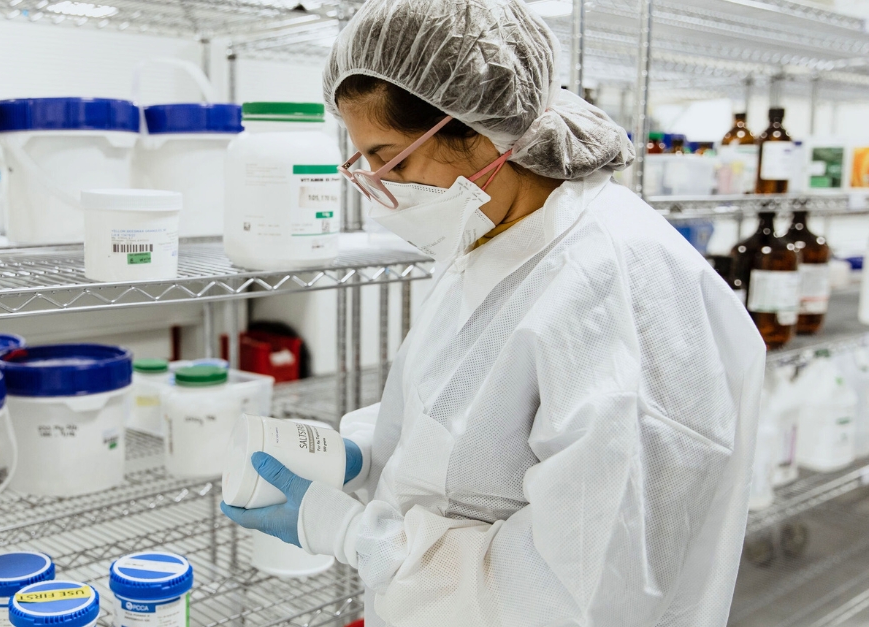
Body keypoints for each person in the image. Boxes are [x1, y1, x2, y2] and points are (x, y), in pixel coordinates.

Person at [221, 0, 767, 625]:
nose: (378, 185)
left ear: (478, 130)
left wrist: (356, 538)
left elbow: (583, 584)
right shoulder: (494, 231)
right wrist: (363, 452)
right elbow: (461, 410)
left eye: (388, 156)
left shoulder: (612, 282)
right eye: (363, 160)